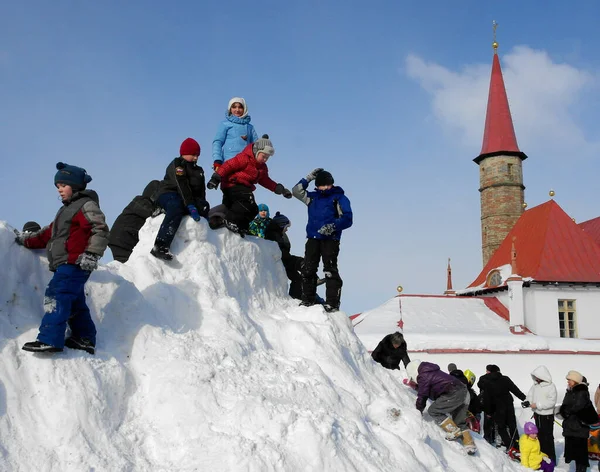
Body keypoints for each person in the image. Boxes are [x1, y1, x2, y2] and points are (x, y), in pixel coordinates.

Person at [16, 162, 109, 354]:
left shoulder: (85, 205)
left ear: (74, 185)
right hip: (67, 263)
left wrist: (92, 254)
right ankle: (84, 338)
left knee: (56, 294)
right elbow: (47, 234)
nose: (59, 190)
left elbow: (99, 228)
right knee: (74, 301)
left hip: (75, 261)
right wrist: (26, 241)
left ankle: (50, 338)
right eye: (57, 187)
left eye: (63, 186)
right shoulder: (65, 211)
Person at [292, 169, 353, 313]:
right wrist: (309, 178)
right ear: (317, 186)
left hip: (330, 239)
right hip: (313, 238)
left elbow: (348, 218)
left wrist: (333, 227)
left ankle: (332, 303)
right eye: (322, 185)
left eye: (328, 184)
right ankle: (308, 299)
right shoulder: (312, 197)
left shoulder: (339, 198)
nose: (325, 188)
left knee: (329, 270)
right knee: (308, 269)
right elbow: (296, 191)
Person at [206, 135, 292, 236]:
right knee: (247, 203)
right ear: (256, 152)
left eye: (267, 158)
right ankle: (230, 221)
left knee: (254, 209)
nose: (265, 159)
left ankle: (241, 227)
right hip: (232, 184)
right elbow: (228, 165)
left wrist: (279, 189)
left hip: (243, 188)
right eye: (263, 156)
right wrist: (216, 177)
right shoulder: (244, 158)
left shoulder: (262, 168)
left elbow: (265, 180)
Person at [151, 138, 209, 261]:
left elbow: (201, 192)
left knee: (204, 206)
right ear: (184, 153)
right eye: (193, 154)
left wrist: (202, 209)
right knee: (176, 205)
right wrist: (191, 206)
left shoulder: (199, 171)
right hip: (169, 193)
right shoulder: (178, 165)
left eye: (197, 155)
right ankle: (160, 246)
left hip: (187, 198)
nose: (196, 158)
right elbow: (182, 185)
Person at [406, 360, 477, 454]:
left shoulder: (423, 375)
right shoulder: (431, 371)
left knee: (433, 410)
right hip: (464, 392)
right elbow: (430, 390)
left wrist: (418, 410)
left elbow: (423, 395)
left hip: (454, 392)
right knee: (459, 421)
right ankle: (469, 444)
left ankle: (453, 430)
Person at [109, 180, 160, 263]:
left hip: (120, 237)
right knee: (128, 266)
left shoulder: (138, 202)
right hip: (124, 238)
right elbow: (152, 212)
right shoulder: (142, 202)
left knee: (124, 265)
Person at [478, 364, 526, 452]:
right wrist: (524, 398)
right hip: (509, 407)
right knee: (512, 426)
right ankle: (517, 445)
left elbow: (487, 399)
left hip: (497, 409)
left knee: (501, 428)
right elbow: (515, 390)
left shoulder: (487, 382)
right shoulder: (505, 379)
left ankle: (510, 446)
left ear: (489, 372)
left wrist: (488, 412)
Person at [212, 97, 259, 171]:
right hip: (229, 163)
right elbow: (217, 142)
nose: (237, 110)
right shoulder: (225, 124)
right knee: (230, 182)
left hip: (246, 164)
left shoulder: (250, 127)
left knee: (245, 182)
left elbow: (256, 146)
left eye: (240, 107)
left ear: (244, 109)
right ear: (230, 109)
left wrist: (257, 161)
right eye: (234, 107)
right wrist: (217, 159)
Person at [264, 211, 303, 300]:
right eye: (286, 227)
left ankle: (296, 296)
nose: (287, 229)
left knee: (297, 278)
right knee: (299, 265)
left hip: (284, 260)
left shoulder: (277, 234)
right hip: (282, 261)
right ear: (281, 225)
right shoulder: (274, 235)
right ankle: (309, 275)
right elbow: (282, 254)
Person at [559, 370, 593, 472]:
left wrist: (566, 411)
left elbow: (578, 408)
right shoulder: (569, 392)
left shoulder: (582, 392)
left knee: (581, 454)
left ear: (575, 381)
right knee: (574, 452)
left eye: (569, 380)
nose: (568, 382)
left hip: (579, 428)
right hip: (571, 427)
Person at [523, 365, 557, 463]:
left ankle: (551, 458)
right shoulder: (535, 386)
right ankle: (541, 456)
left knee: (548, 437)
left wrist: (537, 405)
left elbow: (551, 402)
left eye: (538, 377)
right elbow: (530, 396)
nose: (536, 379)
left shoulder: (551, 387)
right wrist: (527, 401)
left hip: (547, 416)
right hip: (537, 415)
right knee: (539, 436)